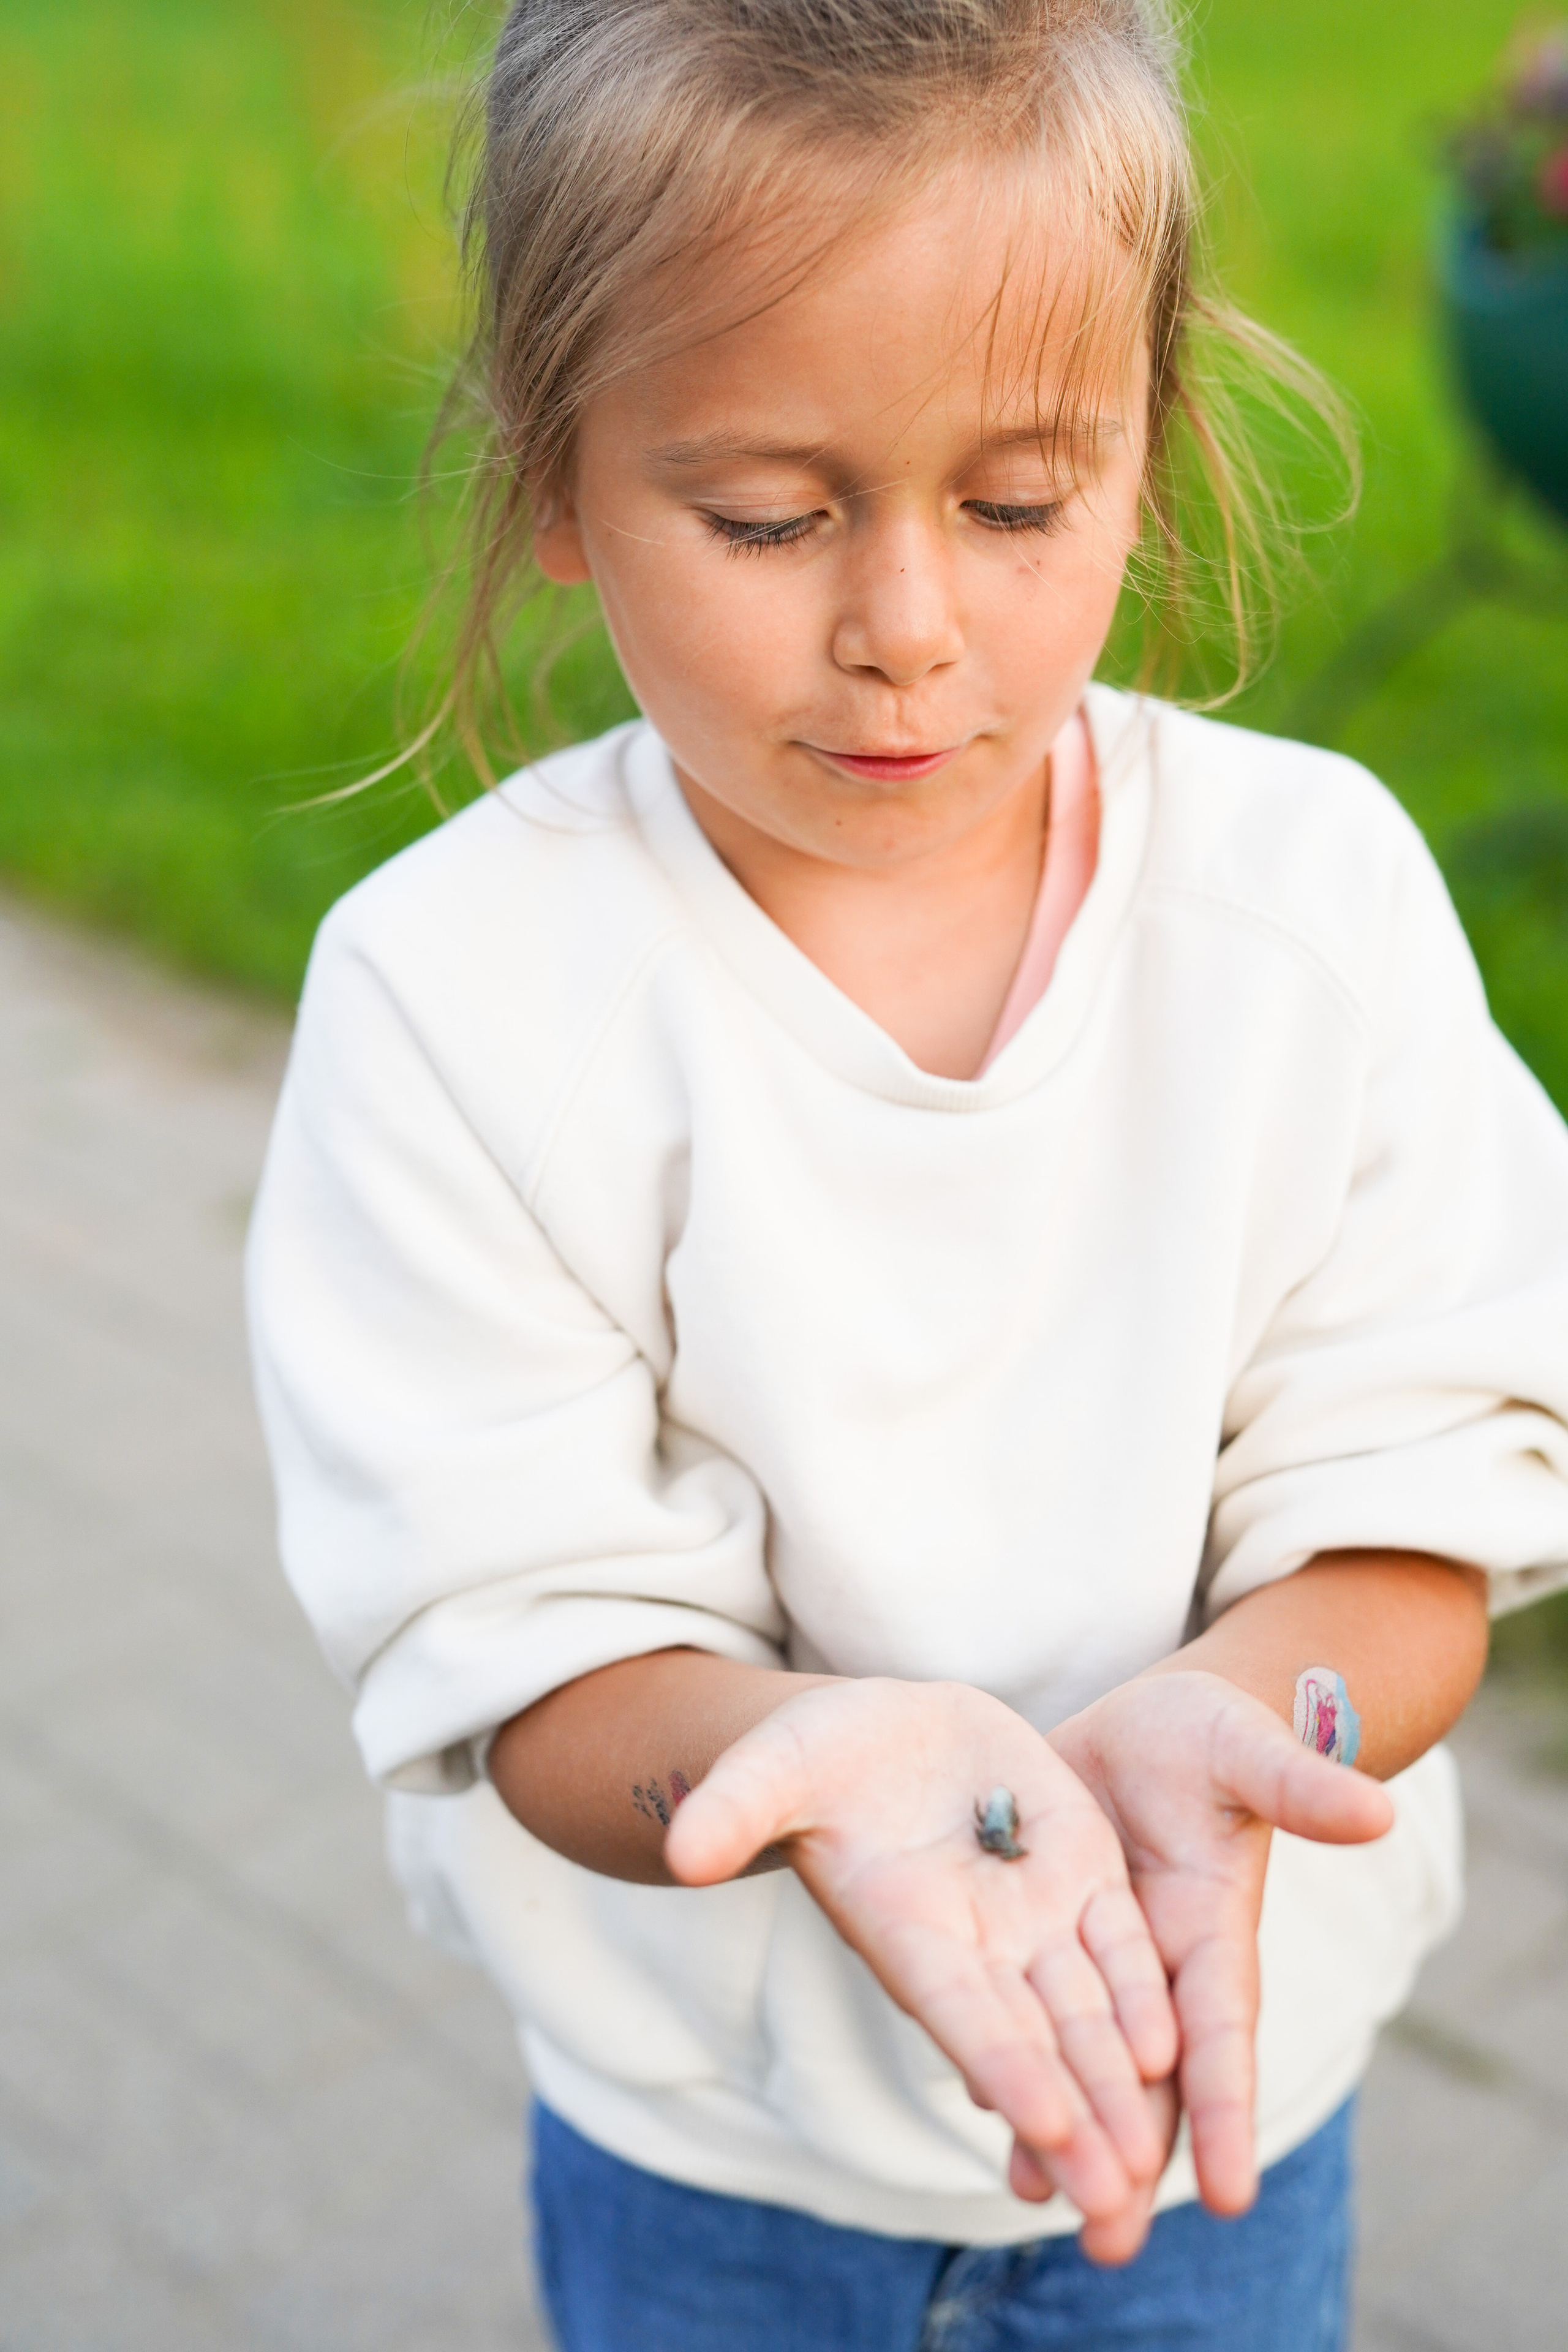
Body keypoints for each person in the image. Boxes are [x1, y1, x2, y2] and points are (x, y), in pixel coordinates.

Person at [244, 2, 1568, 2345]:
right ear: (552, 471)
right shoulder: (457, 1001)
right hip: (715, 2172)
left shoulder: (1311, 911)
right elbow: (531, 1650)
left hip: (1217, 2117)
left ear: (1149, 444)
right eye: (770, 517)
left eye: (1020, 503)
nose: (906, 631)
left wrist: (1259, 1707)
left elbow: (1415, 1514)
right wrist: (804, 1761)